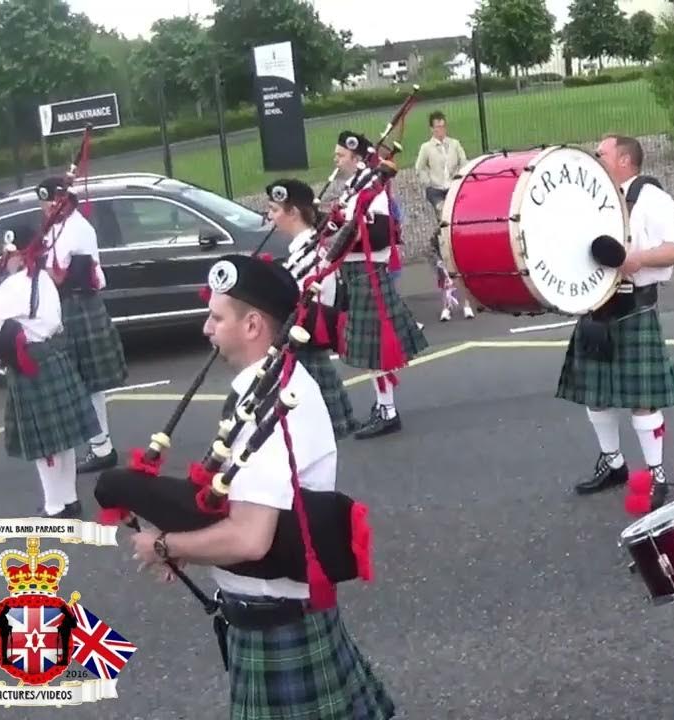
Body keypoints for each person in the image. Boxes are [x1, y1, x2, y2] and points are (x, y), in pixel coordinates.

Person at [128, 253, 396, 720]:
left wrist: (165, 546)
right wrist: (189, 547)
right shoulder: (271, 383)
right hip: (275, 618)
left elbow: (250, 538)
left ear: (252, 325)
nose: (206, 329)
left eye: (216, 317)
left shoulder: (272, 405)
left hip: (278, 626)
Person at [560, 134, 674, 511]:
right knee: (594, 393)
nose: (594, 158)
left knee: (642, 401)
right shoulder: (591, 199)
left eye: (600, 153)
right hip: (594, 306)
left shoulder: (652, 198)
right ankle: (612, 462)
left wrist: (637, 260)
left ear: (624, 160)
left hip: (633, 305)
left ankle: (656, 474)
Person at [0, 238, 100, 518]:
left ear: (19, 254)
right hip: (56, 355)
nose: (4, 258)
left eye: (7, 252)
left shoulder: (14, 286)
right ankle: (69, 500)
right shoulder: (45, 278)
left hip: (33, 364)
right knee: (63, 438)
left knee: (44, 444)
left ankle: (55, 508)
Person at [334, 130, 429, 439]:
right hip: (355, 273)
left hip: (368, 272)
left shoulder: (373, 192)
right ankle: (383, 405)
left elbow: (378, 235)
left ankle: (388, 411)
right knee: (373, 349)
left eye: (340, 155)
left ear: (357, 157)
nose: (335, 160)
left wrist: (342, 240)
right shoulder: (353, 189)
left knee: (378, 350)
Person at [37, 176, 129, 472]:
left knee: (86, 382)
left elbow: (57, 275)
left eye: (55, 201)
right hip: (72, 305)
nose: (49, 207)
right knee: (86, 383)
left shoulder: (75, 229)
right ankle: (100, 445)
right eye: (46, 203)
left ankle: (102, 448)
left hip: (78, 304)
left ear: (66, 200)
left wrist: (28, 269)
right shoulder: (57, 227)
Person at [266, 178, 360, 440]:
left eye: (274, 209)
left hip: (310, 320)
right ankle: (342, 419)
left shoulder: (308, 248)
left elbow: (299, 290)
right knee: (317, 371)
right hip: (312, 319)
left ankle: (335, 423)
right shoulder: (307, 244)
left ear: (293, 212)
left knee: (311, 373)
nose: (270, 216)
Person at [415, 111, 474, 323]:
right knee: (443, 213)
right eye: (437, 127)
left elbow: (465, 161)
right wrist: (428, 183)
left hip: (453, 187)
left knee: (455, 239)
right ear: (431, 129)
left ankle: (467, 303)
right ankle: (444, 232)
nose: (441, 130)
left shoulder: (454, 144)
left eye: (443, 126)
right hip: (437, 190)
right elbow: (419, 168)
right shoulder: (426, 148)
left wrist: (460, 177)